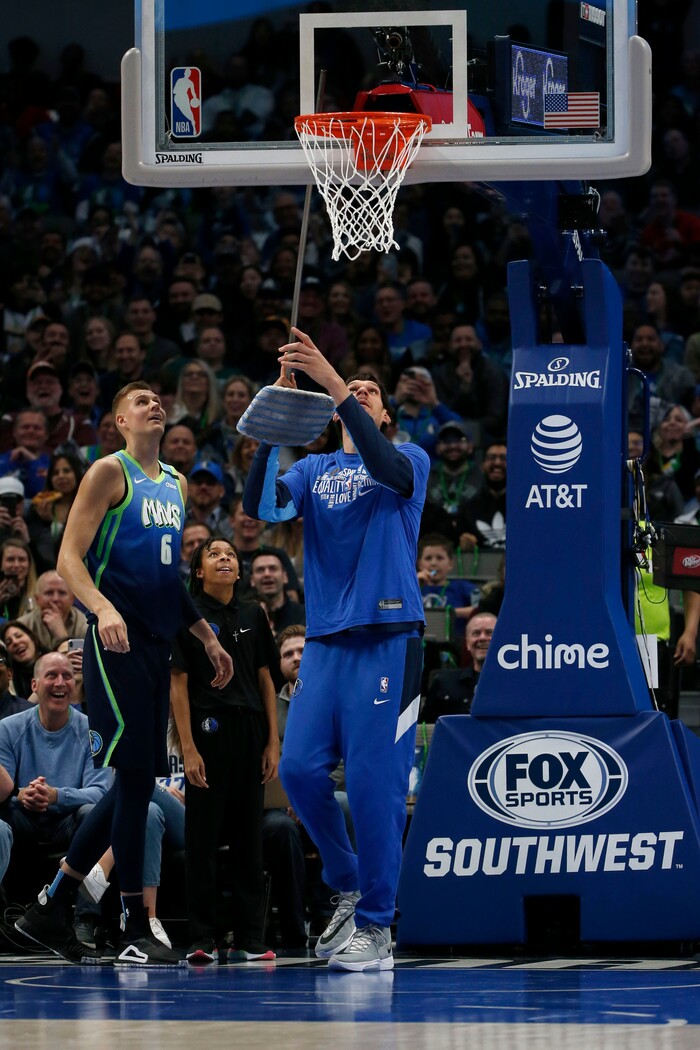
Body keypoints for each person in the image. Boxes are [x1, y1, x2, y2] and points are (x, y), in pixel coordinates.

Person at [15, 379, 233, 967]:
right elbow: (68, 558)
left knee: (135, 785)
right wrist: (101, 608)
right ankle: (133, 924)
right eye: (140, 401)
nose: (154, 405)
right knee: (133, 779)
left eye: (157, 400)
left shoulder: (177, 483)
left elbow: (167, 579)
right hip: (115, 642)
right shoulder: (109, 472)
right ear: (119, 422)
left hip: (158, 644)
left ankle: (52, 905)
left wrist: (206, 636)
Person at [244, 327, 429, 972]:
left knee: (377, 789)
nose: (361, 391)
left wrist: (331, 380)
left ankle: (377, 928)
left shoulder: (409, 460)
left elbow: (386, 467)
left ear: (384, 416)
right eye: (354, 388)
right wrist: (274, 423)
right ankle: (349, 884)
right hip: (325, 642)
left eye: (371, 392)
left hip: (389, 639)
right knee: (297, 771)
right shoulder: (314, 471)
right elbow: (262, 507)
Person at [170, 536, 279, 965]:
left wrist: (272, 740)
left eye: (230, 554)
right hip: (207, 729)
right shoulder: (187, 615)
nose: (224, 559)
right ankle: (202, 937)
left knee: (249, 839)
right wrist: (189, 748)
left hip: (250, 729)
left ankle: (250, 938)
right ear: (199, 571)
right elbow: (178, 683)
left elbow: (266, 678)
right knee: (202, 841)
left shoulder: (253, 613)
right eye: (214, 554)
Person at [0, 652, 111, 929]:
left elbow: (100, 792)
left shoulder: (93, 731)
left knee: (94, 813)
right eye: (51, 675)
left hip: (68, 821)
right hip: (20, 817)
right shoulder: (8, 728)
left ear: (75, 685)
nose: (60, 682)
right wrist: (21, 794)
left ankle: (86, 920)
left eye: (67, 676)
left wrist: (56, 796)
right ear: (34, 685)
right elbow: (4, 791)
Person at [421, 612, 497, 722]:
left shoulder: (513, 683)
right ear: (467, 643)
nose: (482, 637)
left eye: (489, 633)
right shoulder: (444, 681)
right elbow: (424, 728)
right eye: (476, 633)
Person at [249, 549, 306, 636]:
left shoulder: (304, 615)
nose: (267, 574)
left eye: (273, 569)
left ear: (285, 576)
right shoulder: (243, 618)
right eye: (260, 570)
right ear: (252, 580)